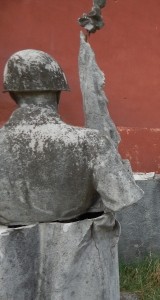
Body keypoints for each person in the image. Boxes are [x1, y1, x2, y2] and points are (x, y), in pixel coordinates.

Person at [0, 49, 143, 225]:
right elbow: (123, 196)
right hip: (72, 239)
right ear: (58, 92)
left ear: (12, 93)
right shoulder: (92, 143)